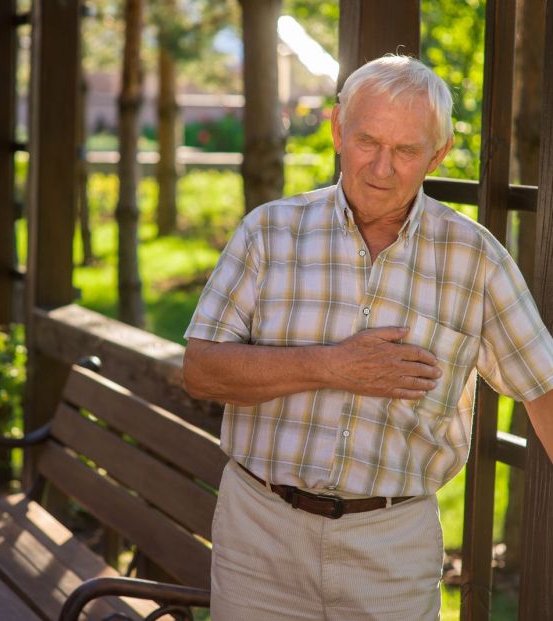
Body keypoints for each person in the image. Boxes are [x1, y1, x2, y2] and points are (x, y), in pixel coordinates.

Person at [182, 55, 553, 621]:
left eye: (407, 151)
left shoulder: (475, 258)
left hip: (393, 546)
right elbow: (202, 369)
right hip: (260, 533)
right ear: (336, 130)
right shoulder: (268, 232)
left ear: (439, 153)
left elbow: (543, 387)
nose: (383, 167)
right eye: (367, 141)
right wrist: (334, 366)